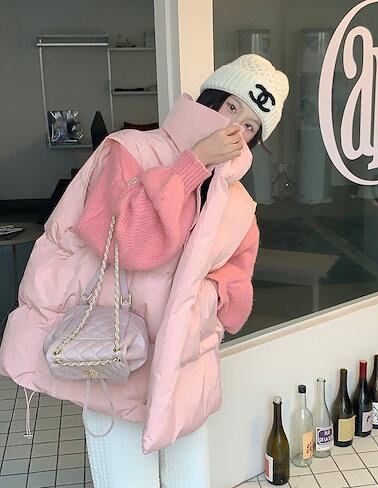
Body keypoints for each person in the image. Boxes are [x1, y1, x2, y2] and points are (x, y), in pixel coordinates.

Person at [0, 54, 289, 488]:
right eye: (232, 107)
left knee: (191, 481)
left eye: (250, 126)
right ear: (211, 99)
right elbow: (129, 244)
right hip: (119, 359)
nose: (235, 128)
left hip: (185, 368)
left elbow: (237, 281)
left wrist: (208, 301)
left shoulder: (238, 199)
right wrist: (193, 164)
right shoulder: (130, 150)